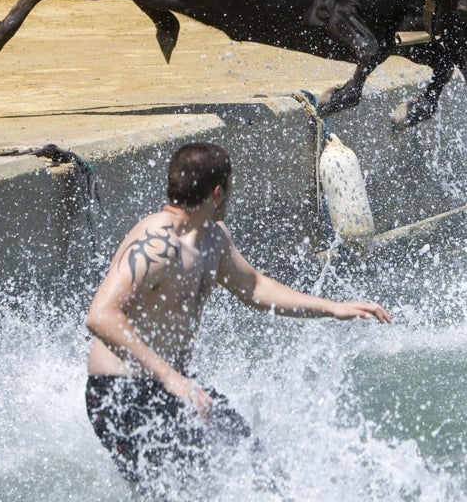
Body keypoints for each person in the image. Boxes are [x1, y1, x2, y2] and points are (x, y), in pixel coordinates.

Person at [84, 141, 391, 489]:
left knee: (256, 469)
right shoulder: (156, 243)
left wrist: (332, 308)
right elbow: (101, 315)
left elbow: (254, 287)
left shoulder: (213, 238)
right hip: (120, 395)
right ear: (218, 193)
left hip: (173, 388)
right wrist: (171, 378)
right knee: (181, 491)